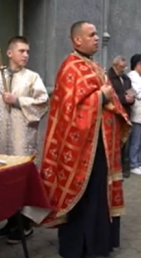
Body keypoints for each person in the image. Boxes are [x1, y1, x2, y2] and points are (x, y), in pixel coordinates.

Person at [40, 21, 130, 258]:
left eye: (97, 34)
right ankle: (78, 248)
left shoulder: (95, 66)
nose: (97, 38)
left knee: (100, 192)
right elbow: (71, 109)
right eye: (91, 35)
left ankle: (99, 244)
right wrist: (101, 96)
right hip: (81, 148)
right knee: (84, 195)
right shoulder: (70, 68)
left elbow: (110, 98)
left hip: (101, 145)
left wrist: (108, 101)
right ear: (77, 40)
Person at [0, 36, 49, 242]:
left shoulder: (32, 78)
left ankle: (24, 224)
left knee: (21, 178)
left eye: (28, 51)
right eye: (22, 51)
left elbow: (42, 102)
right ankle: (10, 221)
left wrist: (17, 100)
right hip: (3, 138)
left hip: (23, 139)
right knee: (5, 179)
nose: (26, 55)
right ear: (9, 53)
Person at [108, 55, 135, 178]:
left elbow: (131, 91)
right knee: (115, 142)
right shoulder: (108, 77)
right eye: (121, 67)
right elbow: (110, 95)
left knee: (126, 141)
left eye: (124, 67)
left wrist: (132, 98)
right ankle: (114, 168)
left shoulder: (126, 78)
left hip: (126, 112)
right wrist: (124, 99)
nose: (123, 69)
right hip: (114, 113)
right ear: (115, 66)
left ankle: (125, 168)